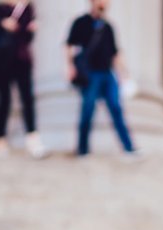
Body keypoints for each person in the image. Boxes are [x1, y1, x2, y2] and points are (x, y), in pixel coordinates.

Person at [65, 0, 139, 158]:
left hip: (108, 73)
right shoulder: (81, 22)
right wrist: (70, 66)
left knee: (116, 108)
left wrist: (124, 75)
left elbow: (115, 53)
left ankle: (129, 148)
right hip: (90, 73)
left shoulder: (108, 27)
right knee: (88, 109)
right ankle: (82, 149)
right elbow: (69, 45)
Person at [0, 0, 46, 158]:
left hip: (21, 59)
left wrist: (31, 29)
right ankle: (0, 138)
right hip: (2, 60)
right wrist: (2, 23)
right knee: (4, 100)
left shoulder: (27, 8)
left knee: (27, 99)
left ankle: (32, 137)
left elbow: (28, 36)